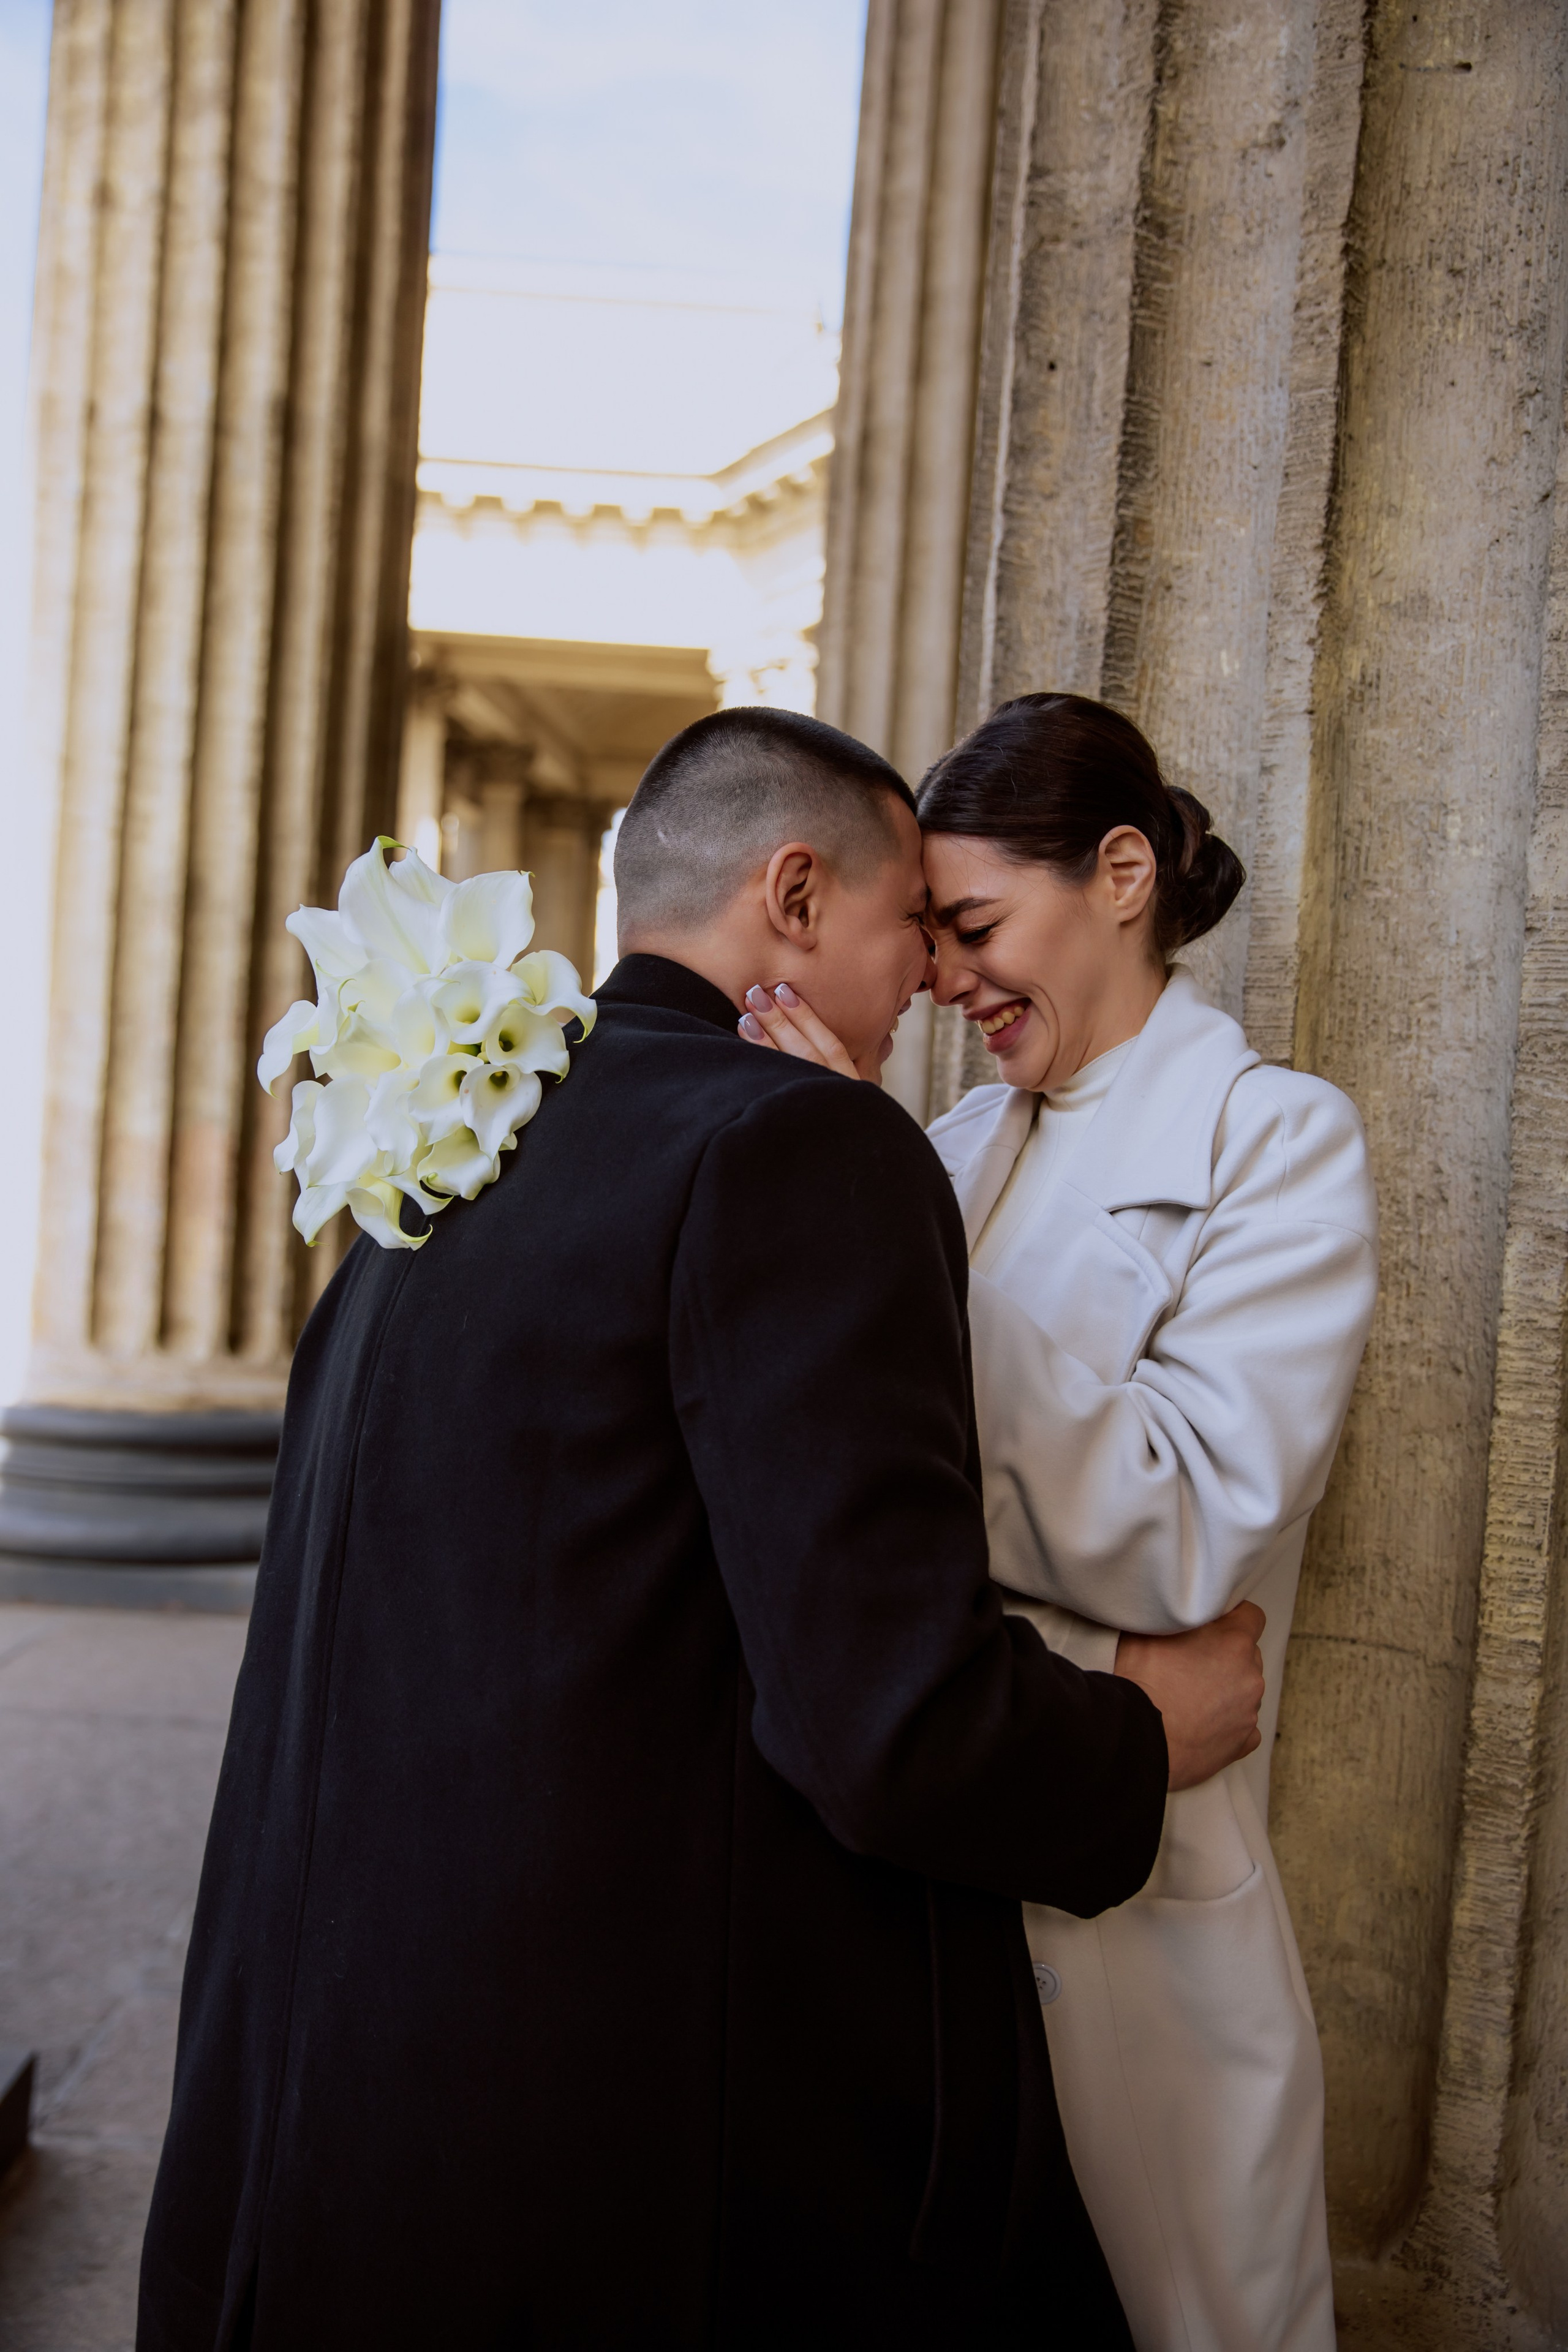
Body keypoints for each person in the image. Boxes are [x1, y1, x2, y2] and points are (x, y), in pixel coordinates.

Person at [138, 705, 1267, 2352]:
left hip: (325, 2142)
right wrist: (1137, 1738)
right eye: (909, 933)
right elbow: (888, 1719)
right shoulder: (798, 1145)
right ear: (795, 901)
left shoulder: (450, 1150)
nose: (930, 995)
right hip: (622, 2174)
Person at [739, 692, 1378, 2352]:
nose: (945, 978)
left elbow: (1188, 1531)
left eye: (973, 926)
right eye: (932, 936)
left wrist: (882, 1227)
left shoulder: (1279, 1144)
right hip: (902, 1874)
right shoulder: (937, 1148)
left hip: (1132, 1908)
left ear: (1118, 875)